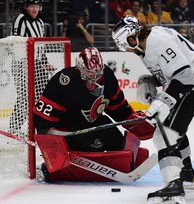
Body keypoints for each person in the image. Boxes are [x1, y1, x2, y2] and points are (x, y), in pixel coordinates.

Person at [112, 16, 194, 204]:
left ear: (131, 38)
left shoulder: (157, 42)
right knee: (175, 128)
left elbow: (185, 76)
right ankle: (188, 174)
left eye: (124, 45)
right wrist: (151, 81)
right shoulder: (148, 42)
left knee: (164, 134)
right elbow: (171, 71)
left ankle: (174, 189)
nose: (125, 50)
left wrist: (165, 101)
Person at [33, 46, 155, 183]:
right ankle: (67, 169)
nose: (95, 78)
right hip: (68, 131)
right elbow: (43, 117)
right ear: (80, 69)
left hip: (92, 123)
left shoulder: (107, 76)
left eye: (98, 73)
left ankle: (122, 163)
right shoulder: (65, 81)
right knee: (94, 145)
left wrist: (139, 123)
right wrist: (50, 142)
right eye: (90, 73)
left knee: (116, 141)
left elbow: (119, 107)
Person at [10, 0, 55, 137]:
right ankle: (14, 128)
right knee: (25, 97)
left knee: (44, 96)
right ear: (26, 7)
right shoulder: (21, 19)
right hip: (21, 63)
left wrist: (45, 61)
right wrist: (23, 60)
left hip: (36, 64)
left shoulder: (40, 23)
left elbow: (40, 45)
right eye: (32, 6)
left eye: (37, 6)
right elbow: (16, 41)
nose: (35, 9)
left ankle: (41, 127)